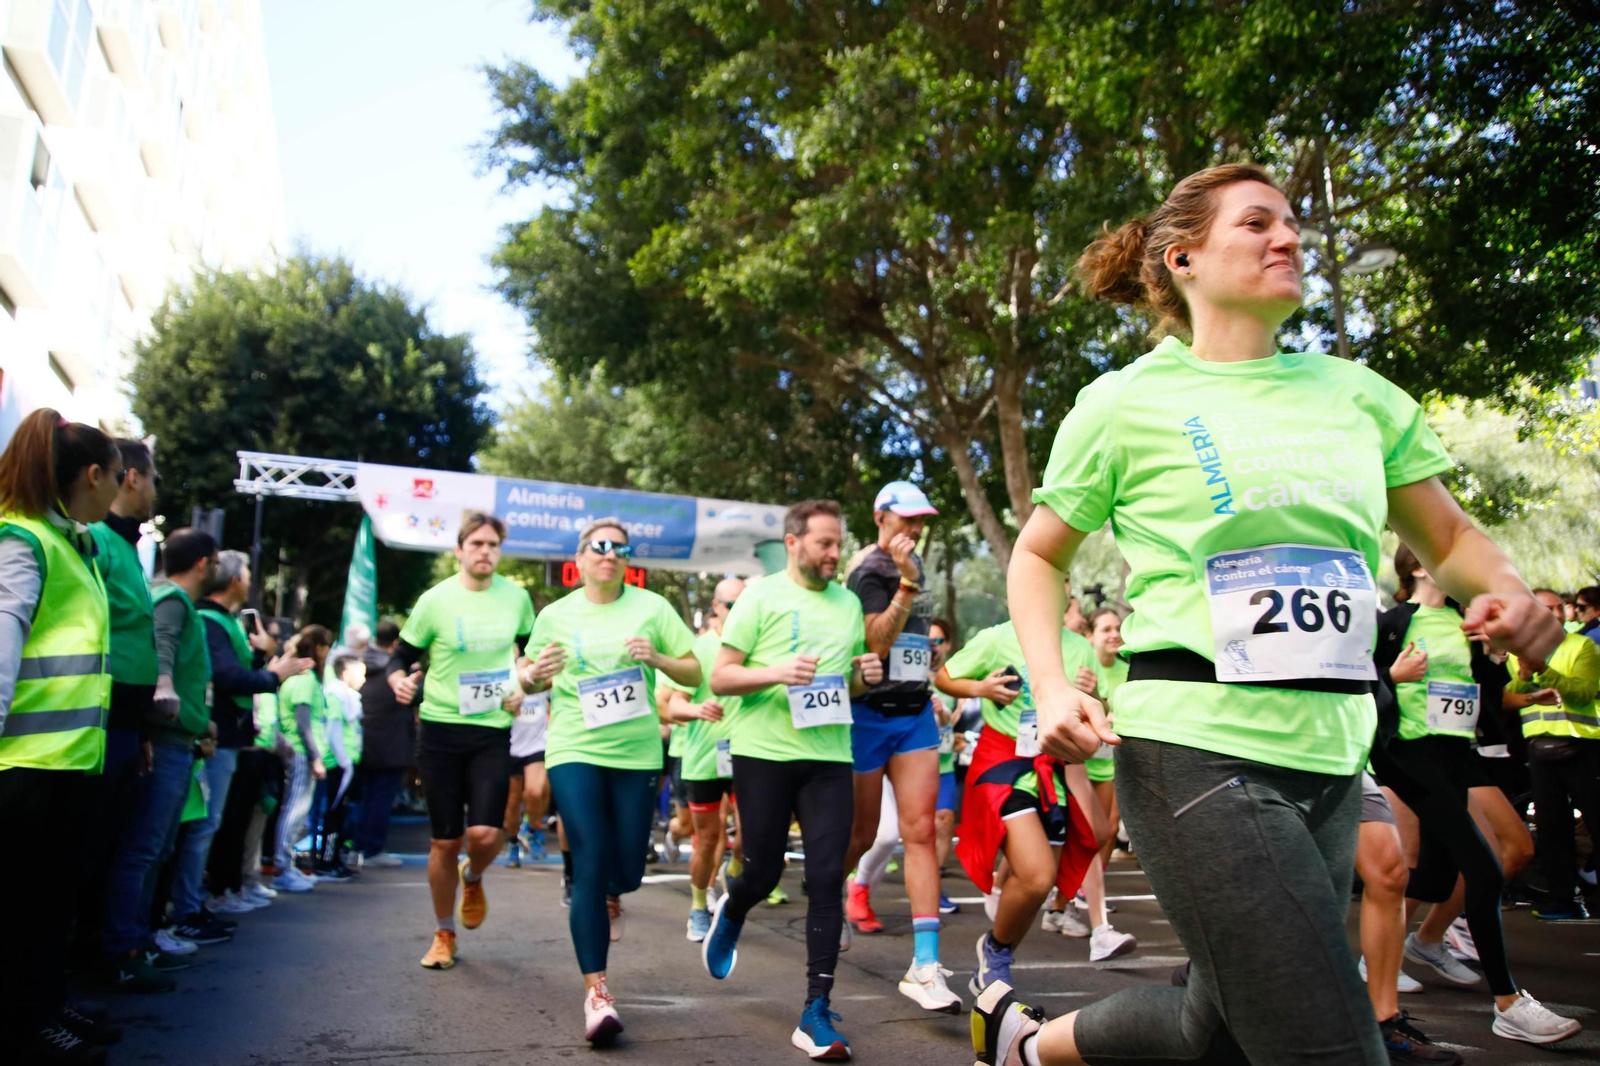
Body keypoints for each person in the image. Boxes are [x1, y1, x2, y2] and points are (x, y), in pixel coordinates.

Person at [977, 163, 1573, 1066]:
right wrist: (1052, 687)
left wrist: (1514, 592)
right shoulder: (1127, 402)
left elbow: (1448, 535)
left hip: (1335, 754)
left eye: (1291, 223)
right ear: (1183, 258)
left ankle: (1021, 1048)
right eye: (1257, 223)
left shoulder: (1357, 395)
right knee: (1329, 1042)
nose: (1288, 238)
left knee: (1211, 1026)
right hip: (1197, 747)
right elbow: (1038, 553)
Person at [1371, 547, 1577, 1045]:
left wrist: (1493, 657)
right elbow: (1359, 684)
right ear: (1417, 568)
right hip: (1409, 754)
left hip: (1458, 752)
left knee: (1437, 878)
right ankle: (1507, 1002)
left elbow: (1485, 690)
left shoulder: (1466, 622)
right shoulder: (1394, 622)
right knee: (1483, 869)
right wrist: (1393, 679)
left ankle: (1380, 947)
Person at [702, 499, 884, 1061]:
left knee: (827, 876)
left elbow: (847, 682)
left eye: (838, 544)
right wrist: (776, 671)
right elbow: (721, 676)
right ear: (793, 542)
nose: (835, 554)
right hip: (764, 754)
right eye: (825, 543)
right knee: (764, 869)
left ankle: (816, 1009)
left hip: (828, 754)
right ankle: (734, 907)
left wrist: (865, 676)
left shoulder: (848, 603)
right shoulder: (760, 597)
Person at [523, 517, 703, 1045]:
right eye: (600, 546)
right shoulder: (555, 615)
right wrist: (537, 673)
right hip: (575, 748)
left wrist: (659, 658)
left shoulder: (652, 609)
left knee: (626, 870)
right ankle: (597, 994)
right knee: (591, 858)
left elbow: (694, 672)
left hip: (637, 752)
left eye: (620, 548)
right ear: (581, 557)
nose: (610, 554)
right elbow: (528, 677)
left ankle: (613, 893)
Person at [0, 408, 122, 1062]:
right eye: (117, 478)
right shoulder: (23, 542)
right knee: (20, 913)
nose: (121, 491)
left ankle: (47, 1003)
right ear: (94, 474)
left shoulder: (73, 544)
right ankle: (26, 1023)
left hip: (66, 764)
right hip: (22, 768)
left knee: (51, 904)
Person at [935, 601, 1104, 997]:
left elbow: (1097, 713)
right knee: (1039, 874)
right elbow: (944, 677)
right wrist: (981, 688)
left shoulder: (1079, 648)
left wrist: (1095, 696)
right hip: (1001, 765)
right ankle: (996, 953)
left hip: (1053, 770)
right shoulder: (997, 638)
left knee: (1037, 882)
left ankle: (997, 949)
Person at [389, 513, 535, 971]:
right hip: (438, 731)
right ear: (459, 550)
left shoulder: (517, 599)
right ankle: (443, 933)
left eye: (493, 544)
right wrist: (398, 681)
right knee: (445, 841)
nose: (485, 551)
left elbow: (530, 654)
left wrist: (524, 685)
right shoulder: (435, 601)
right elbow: (400, 657)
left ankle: (473, 877)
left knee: (486, 833)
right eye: (476, 543)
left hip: (492, 729)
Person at [838, 480, 961, 1012]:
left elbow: (908, 643)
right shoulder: (868, 569)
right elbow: (873, 642)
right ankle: (831, 902)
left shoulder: (917, 565)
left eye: (919, 521)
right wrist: (907, 585)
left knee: (920, 831)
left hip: (913, 715)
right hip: (867, 715)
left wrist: (930, 664)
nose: (914, 530)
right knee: (863, 833)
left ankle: (925, 964)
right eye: (905, 519)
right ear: (880, 517)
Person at [101, 528, 221, 973]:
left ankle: (138, 939)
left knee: (154, 849)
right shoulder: (172, 599)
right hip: (166, 743)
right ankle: (126, 946)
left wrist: (198, 720)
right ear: (204, 563)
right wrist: (167, 689)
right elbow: (163, 650)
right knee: (144, 850)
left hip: (177, 740)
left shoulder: (173, 598)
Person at [177, 551, 310, 918]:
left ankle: (213, 894)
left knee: (221, 823)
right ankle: (191, 906)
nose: (251, 581)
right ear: (234, 580)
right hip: (213, 737)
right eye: (249, 573)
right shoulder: (209, 620)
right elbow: (227, 677)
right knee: (204, 827)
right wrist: (273, 674)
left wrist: (263, 662)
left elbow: (234, 672)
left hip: (231, 738)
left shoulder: (225, 622)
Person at [76, 440, 159, 972]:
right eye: (154, 479)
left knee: (107, 849)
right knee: (87, 852)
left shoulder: (126, 547)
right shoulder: (98, 542)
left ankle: (93, 965)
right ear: (131, 478)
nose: (156, 491)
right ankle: (86, 965)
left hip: (126, 727)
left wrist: (143, 729)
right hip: (96, 725)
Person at [1041, 607, 1135, 962]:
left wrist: (1103, 701)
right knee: (1074, 835)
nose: (1114, 634)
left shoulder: (1126, 666)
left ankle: (1085, 911)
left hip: (1105, 759)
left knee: (1104, 831)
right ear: (1090, 635)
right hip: (1067, 757)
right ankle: (1015, 889)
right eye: (1106, 628)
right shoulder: (1070, 655)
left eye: (1118, 628)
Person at [1508, 588, 1600, 921]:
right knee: (1551, 828)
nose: (1557, 614)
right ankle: (1563, 900)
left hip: (1581, 746)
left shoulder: (1582, 646)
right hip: (1540, 750)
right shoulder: (1517, 651)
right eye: (1547, 608)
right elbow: (1510, 697)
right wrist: (1523, 675)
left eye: (1559, 608)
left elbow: (1584, 691)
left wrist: (1542, 670)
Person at [663, 576, 745, 941]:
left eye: (746, 605)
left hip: (751, 755)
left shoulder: (761, 646)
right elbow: (670, 705)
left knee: (750, 839)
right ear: (716, 608)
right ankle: (698, 906)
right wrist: (698, 710)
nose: (739, 613)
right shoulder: (699, 649)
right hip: (704, 758)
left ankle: (734, 877)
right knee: (708, 840)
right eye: (732, 606)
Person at [272, 626, 334, 894]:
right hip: (300, 753)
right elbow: (303, 724)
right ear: (319, 648)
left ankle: (287, 867)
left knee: (296, 812)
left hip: (299, 752)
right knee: (294, 811)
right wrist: (315, 757)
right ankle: (282, 868)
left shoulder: (302, 679)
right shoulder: (304, 680)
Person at [352, 619, 411, 866]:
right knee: (380, 799)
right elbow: (413, 697)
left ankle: (353, 847)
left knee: (361, 798)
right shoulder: (396, 671)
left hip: (359, 744)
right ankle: (373, 849)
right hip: (391, 746)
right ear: (395, 642)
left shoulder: (357, 666)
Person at [312, 651, 365, 879]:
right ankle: (327, 862)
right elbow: (333, 731)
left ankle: (333, 859)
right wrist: (344, 760)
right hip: (338, 764)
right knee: (333, 814)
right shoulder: (336, 696)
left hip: (346, 762)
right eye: (360, 674)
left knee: (340, 813)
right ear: (345, 674)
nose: (363, 679)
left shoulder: (349, 697)